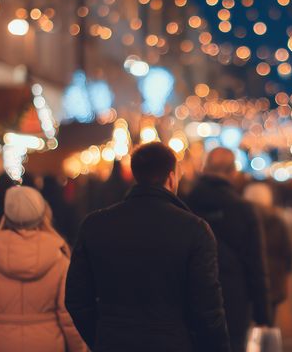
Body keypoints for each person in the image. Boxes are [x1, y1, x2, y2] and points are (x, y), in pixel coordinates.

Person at [66, 142, 230, 351]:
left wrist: (100, 336)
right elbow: (207, 308)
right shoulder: (194, 229)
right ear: (171, 178)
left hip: (114, 341)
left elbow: (76, 299)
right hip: (173, 342)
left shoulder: (95, 225)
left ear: (135, 176)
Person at [0, 186, 86, 352]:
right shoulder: (59, 257)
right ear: (43, 215)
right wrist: (79, 348)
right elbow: (67, 315)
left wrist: (0, 317)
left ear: (6, 216)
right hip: (46, 343)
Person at [186, 147, 272, 352]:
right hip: (234, 296)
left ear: (205, 168)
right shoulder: (243, 209)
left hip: (192, 294)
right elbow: (255, 263)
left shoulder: (186, 204)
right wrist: (263, 314)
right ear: (233, 172)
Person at [243, 182, 292, 317]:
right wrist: (286, 271)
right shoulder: (276, 221)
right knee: (268, 319)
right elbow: (288, 250)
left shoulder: (242, 220)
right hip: (273, 278)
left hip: (248, 279)